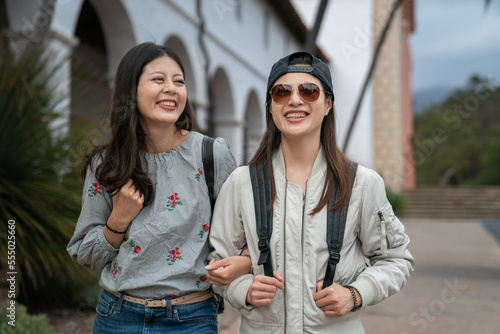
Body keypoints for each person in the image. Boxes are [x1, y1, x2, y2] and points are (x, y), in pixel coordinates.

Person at [208, 51, 415, 333]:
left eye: (309, 91)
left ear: (328, 104)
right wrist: (243, 289)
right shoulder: (241, 182)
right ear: (270, 106)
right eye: (282, 92)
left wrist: (355, 294)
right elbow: (216, 265)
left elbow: (395, 259)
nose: (295, 100)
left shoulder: (362, 183)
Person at [67, 42, 251, 334]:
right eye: (158, 79)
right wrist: (118, 221)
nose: (172, 88)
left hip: (192, 319)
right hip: (117, 317)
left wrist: (244, 263)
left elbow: (246, 234)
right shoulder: (107, 164)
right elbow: (85, 255)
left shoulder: (212, 155)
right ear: (131, 90)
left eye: (179, 81)